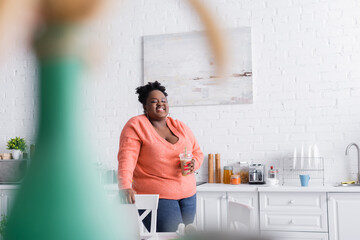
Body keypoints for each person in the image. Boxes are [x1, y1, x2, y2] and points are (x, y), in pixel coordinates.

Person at [117, 81, 203, 232]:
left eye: (163, 101)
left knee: (187, 236)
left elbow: (197, 152)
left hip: (189, 195)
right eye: (154, 101)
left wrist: (194, 164)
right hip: (158, 197)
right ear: (145, 106)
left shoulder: (179, 126)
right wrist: (125, 186)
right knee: (170, 236)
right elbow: (127, 158)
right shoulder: (136, 125)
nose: (160, 104)